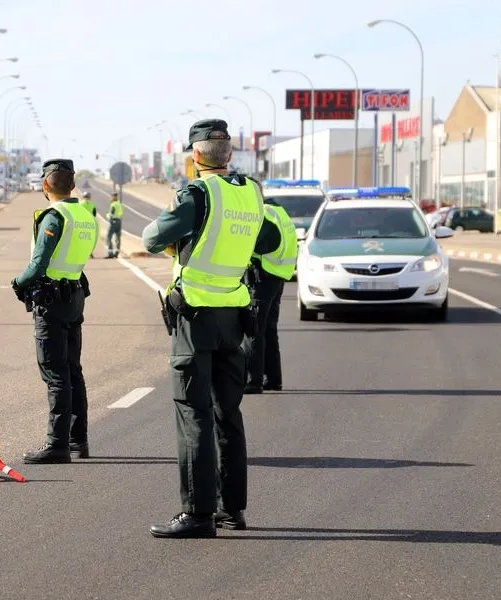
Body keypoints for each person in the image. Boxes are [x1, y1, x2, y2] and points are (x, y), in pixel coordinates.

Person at [141, 119, 282, 538]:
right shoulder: (251, 193)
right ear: (229, 154)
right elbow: (269, 241)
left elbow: (151, 238)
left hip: (197, 318)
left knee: (193, 415)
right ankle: (232, 508)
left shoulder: (196, 194)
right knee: (228, 413)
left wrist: (182, 239)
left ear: (195, 156)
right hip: (235, 318)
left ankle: (197, 514)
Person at [10, 159, 99, 464]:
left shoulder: (54, 216)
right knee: (73, 369)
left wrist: (16, 283)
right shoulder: (85, 214)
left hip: (52, 300)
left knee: (55, 372)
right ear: (71, 185)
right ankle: (78, 441)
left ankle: (56, 444)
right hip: (74, 294)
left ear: (44, 185)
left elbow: (38, 265)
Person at [242, 199, 298, 394]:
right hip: (278, 275)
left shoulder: (261, 214)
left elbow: (254, 244)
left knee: (254, 328)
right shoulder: (280, 212)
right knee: (268, 329)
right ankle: (273, 379)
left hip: (262, 276)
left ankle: (253, 380)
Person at [106, 192, 124, 258]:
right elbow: (121, 213)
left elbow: (111, 215)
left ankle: (110, 253)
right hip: (119, 221)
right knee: (117, 237)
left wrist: (107, 215)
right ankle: (116, 252)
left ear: (113, 197)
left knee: (109, 237)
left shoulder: (113, 205)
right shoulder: (119, 204)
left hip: (113, 222)